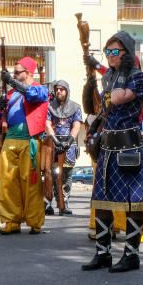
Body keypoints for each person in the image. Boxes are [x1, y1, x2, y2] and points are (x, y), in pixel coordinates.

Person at [81, 33, 143, 273]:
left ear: (127, 53)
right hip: (107, 147)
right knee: (101, 202)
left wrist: (106, 71)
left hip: (128, 147)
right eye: (107, 52)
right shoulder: (109, 77)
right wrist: (96, 70)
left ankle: (131, 255)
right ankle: (103, 253)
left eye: (115, 52)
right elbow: (103, 104)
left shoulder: (140, 77)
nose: (110, 57)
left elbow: (120, 98)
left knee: (133, 203)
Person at [0, 57, 49, 235]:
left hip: (29, 141)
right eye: (13, 73)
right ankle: (11, 220)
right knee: (7, 183)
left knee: (31, 183)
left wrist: (10, 81)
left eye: (17, 72)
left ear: (29, 73)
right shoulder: (9, 94)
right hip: (9, 141)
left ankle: (34, 221)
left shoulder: (41, 89)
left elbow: (32, 95)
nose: (14, 74)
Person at [45, 80, 82, 216]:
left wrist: (69, 141)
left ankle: (64, 203)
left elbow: (77, 126)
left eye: (61, 89)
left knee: (66, 176)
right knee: (51, 174)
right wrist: (55, 140)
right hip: (53, 144)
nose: (58, 92)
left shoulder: (76, 107)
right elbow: (47, 124)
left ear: (67, 91)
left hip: (68, 145)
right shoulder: (49, 107)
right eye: (57, 89)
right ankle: (48, 202)